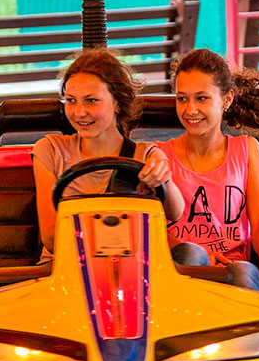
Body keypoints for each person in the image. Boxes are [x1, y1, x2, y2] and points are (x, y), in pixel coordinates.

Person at [157, 48, 259, 297]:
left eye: (202, 98)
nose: (190, 109)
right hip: (181, 267)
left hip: (235, 267)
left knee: (241, 273)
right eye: (182, 99)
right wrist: (190, 249)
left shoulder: (246, 149)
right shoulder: (159, 155)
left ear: (226, 100)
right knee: (192, 254)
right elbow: (153, 225)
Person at [32, 49, 183, 259]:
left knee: (190, 256)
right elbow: (52, 238)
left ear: (118, 103)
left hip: (134, 270)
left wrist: (162, 179)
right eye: (71, 100)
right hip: (66, 270)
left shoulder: (145, 155)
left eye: (91, 100)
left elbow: (175, 212)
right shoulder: (50, 150)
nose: (79, 112)